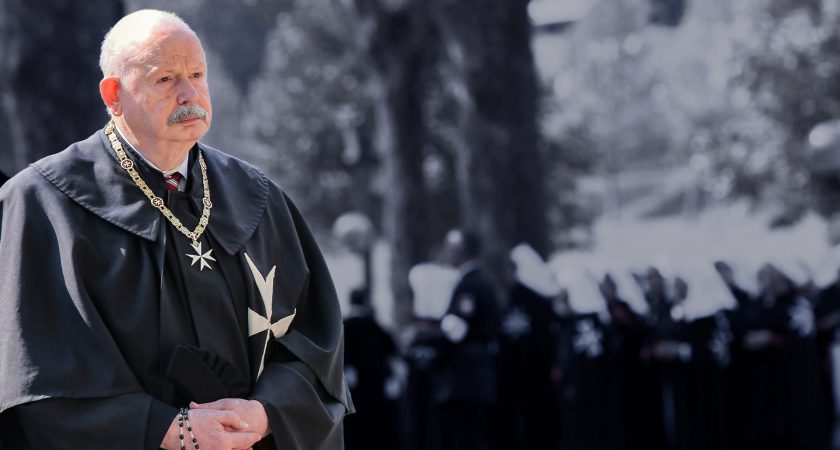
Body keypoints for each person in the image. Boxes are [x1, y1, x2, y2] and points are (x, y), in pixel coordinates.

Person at [0, 10, 352, 450]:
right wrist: (165, 429)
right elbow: (38, 367)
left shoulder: (259, 197)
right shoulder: (42, 203)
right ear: (114, 94)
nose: (190, 93)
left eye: (197, 74)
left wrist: (266, 414)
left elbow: (317, 343)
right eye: (165, 79)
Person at [432, 229, 500, 450]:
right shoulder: (481, 281)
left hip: (467, 378)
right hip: (476, 375)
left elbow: (456, 331)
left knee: (467, 437)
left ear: (462, 252)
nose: (448, 253)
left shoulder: (470, 285)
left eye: (452, 248)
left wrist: (423, 336)